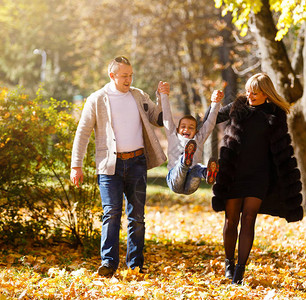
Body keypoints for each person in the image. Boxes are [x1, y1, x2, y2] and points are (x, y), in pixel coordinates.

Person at [70, 56, 167, 277]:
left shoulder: (139, 95)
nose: (129, 79)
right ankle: (108, 264)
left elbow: (158, 119)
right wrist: (76, 165)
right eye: (124, 75)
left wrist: (163, 98)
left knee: (137, 217)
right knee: (111, 213)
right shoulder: (97, 99)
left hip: (137, 163)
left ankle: (135, 266)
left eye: (131, 75)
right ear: (112, 75)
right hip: (109, 166)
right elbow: (82, 133)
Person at [211, 73, 303, 284]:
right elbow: (212, 118)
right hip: (233, 172)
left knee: (249, 219)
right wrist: (213, 103)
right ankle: (229, 263)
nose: (250, 95)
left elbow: (281, 147)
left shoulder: (275, 114)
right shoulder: (238, 107)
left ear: (266, 93)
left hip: (259, 175)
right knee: (231, 219)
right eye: (249, 90)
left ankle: (239, 271)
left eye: (256, 92)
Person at [159, 85, 224, 194]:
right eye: (183, 126)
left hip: (191, 185)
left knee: (197, 168)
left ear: (196, 131)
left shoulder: (199, 139)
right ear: (177, 129)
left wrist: (216, 103)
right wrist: (164, 95)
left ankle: (207, 173)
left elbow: (210, 123)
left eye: (191, 127)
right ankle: (185, 160)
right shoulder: (172, 135)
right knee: (182, 166)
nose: (186, 129)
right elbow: (166, 116)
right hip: (174, 181)